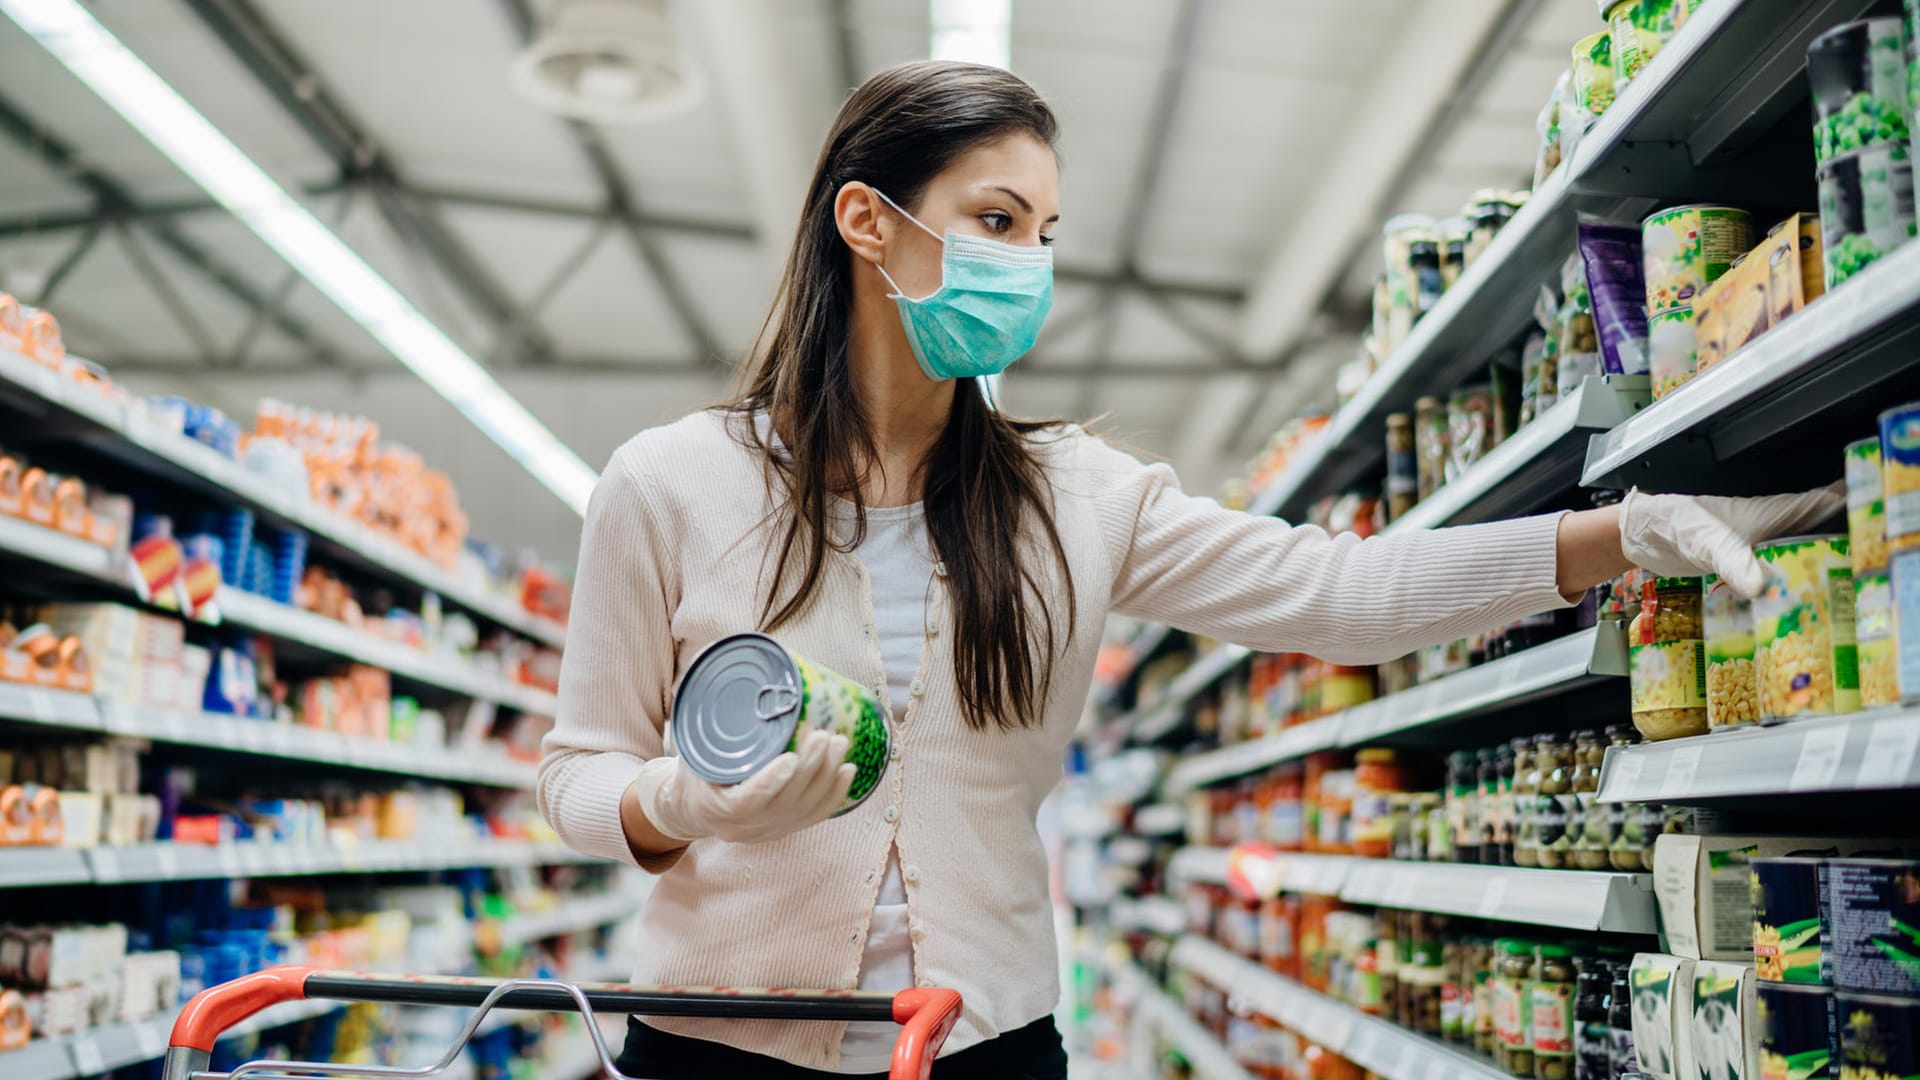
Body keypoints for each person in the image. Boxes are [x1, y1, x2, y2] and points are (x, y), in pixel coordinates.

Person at [538, 61, 1838, 1079]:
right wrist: (683, 806)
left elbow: (1346, 595)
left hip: (989, 1044)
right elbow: (576, 770)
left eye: (1044, 231)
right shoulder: (668, 483)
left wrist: (1626, 529)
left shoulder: (1076, 497)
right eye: (995, 220)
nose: (1029, 267)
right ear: (867, 223)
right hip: (714, 1043)